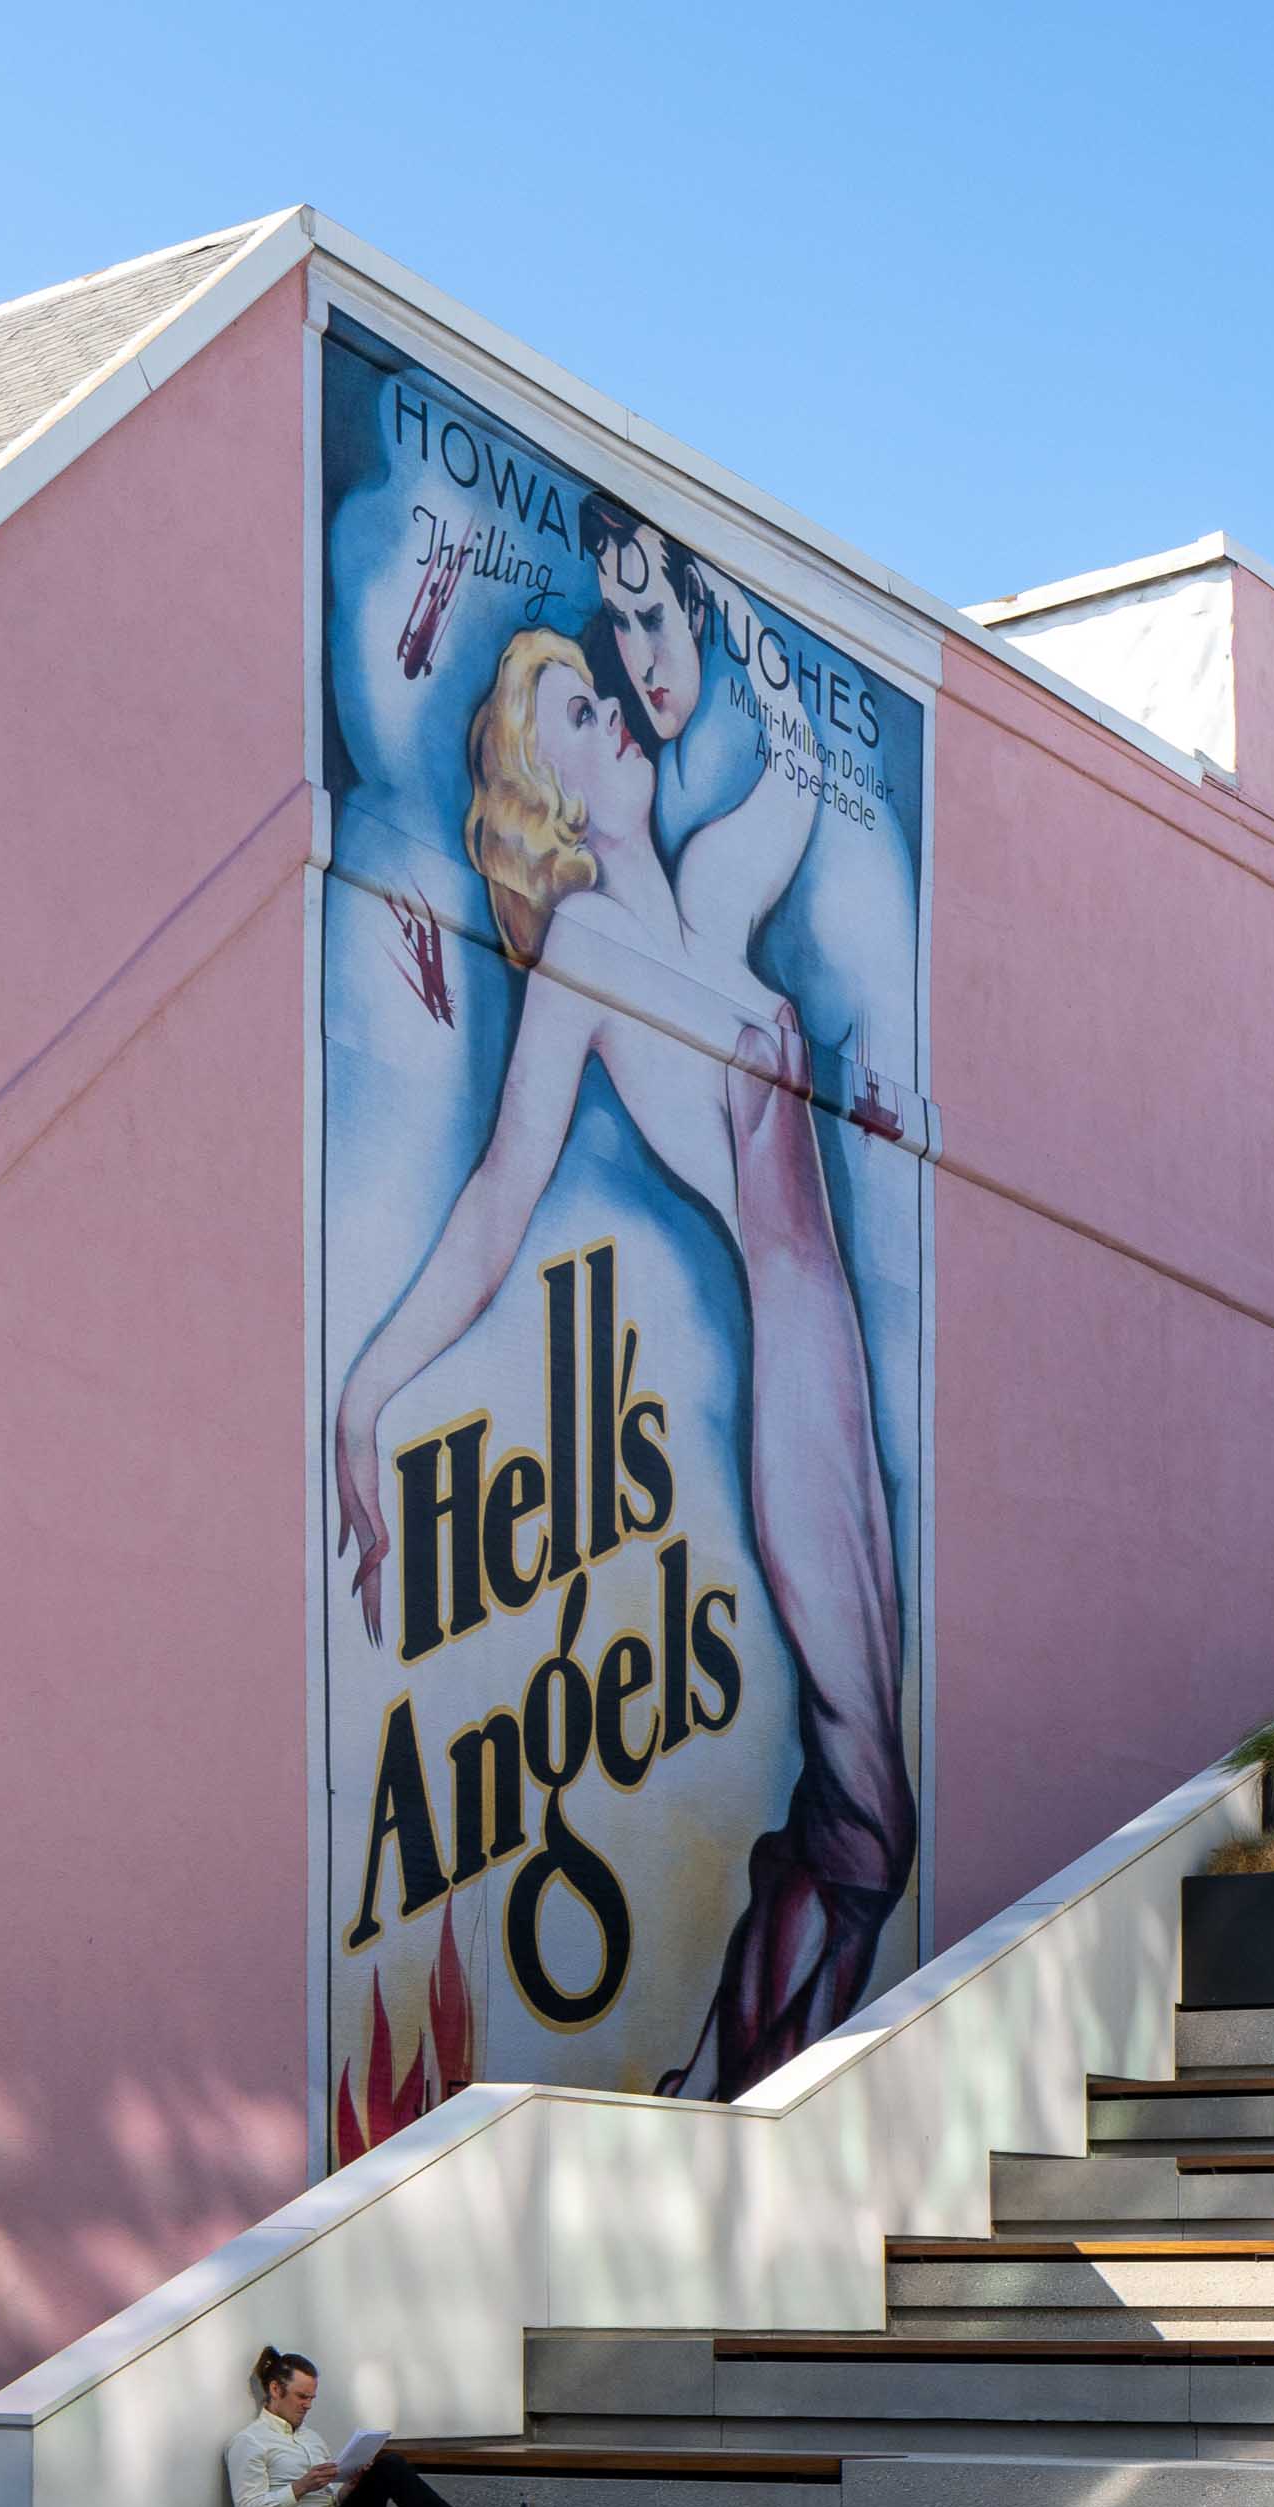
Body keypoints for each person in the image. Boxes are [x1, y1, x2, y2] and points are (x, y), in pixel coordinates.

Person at [331, 622, 917, 2101]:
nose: (620, 712)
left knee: (867, 1818)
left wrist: (756, 672)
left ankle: (720, 2091)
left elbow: (795, 780)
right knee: (870, 1824)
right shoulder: (590, 951)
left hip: (835, 1372)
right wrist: (361, 1397)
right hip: (795, 1386)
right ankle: (721, 2094)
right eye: (584, 712)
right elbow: (490, 1204)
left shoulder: (708, 900)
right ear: (558, 792)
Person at [225, 2348, 533, 2507]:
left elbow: (326, 2498)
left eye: (312, 2398)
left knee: (391, 2466)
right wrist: (299, 2487)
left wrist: (346, 2488)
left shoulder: (310, 2437)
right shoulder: (249, 2442)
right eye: (301, 2396)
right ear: (276, 2390)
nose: (307, 2405)